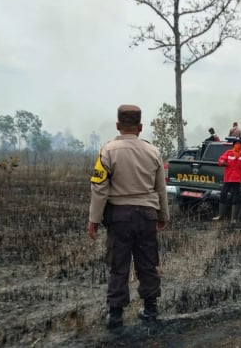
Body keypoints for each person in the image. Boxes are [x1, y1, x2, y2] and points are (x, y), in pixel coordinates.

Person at [87, 104, 169, 329]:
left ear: (117, 125)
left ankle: (115, 315)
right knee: (147, 263)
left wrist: (93, 220)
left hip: (120, 217)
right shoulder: (153, 152)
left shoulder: (107, 151)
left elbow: (99, 188)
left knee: (118, 265)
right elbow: (160, 188)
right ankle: (150, 310)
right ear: (140, 127)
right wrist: (163, 215)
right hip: (147, 216)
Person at [212, 137, 241, 223]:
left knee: (236, 197)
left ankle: (233, 218)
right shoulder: (228, 153)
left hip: (238, 180)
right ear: (233, 144)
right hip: (228, 178)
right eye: (236, 143)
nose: (237, 145)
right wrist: (222, 162)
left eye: (239, 143)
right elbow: (220, 160)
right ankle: (220, 215)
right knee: (223, 194)